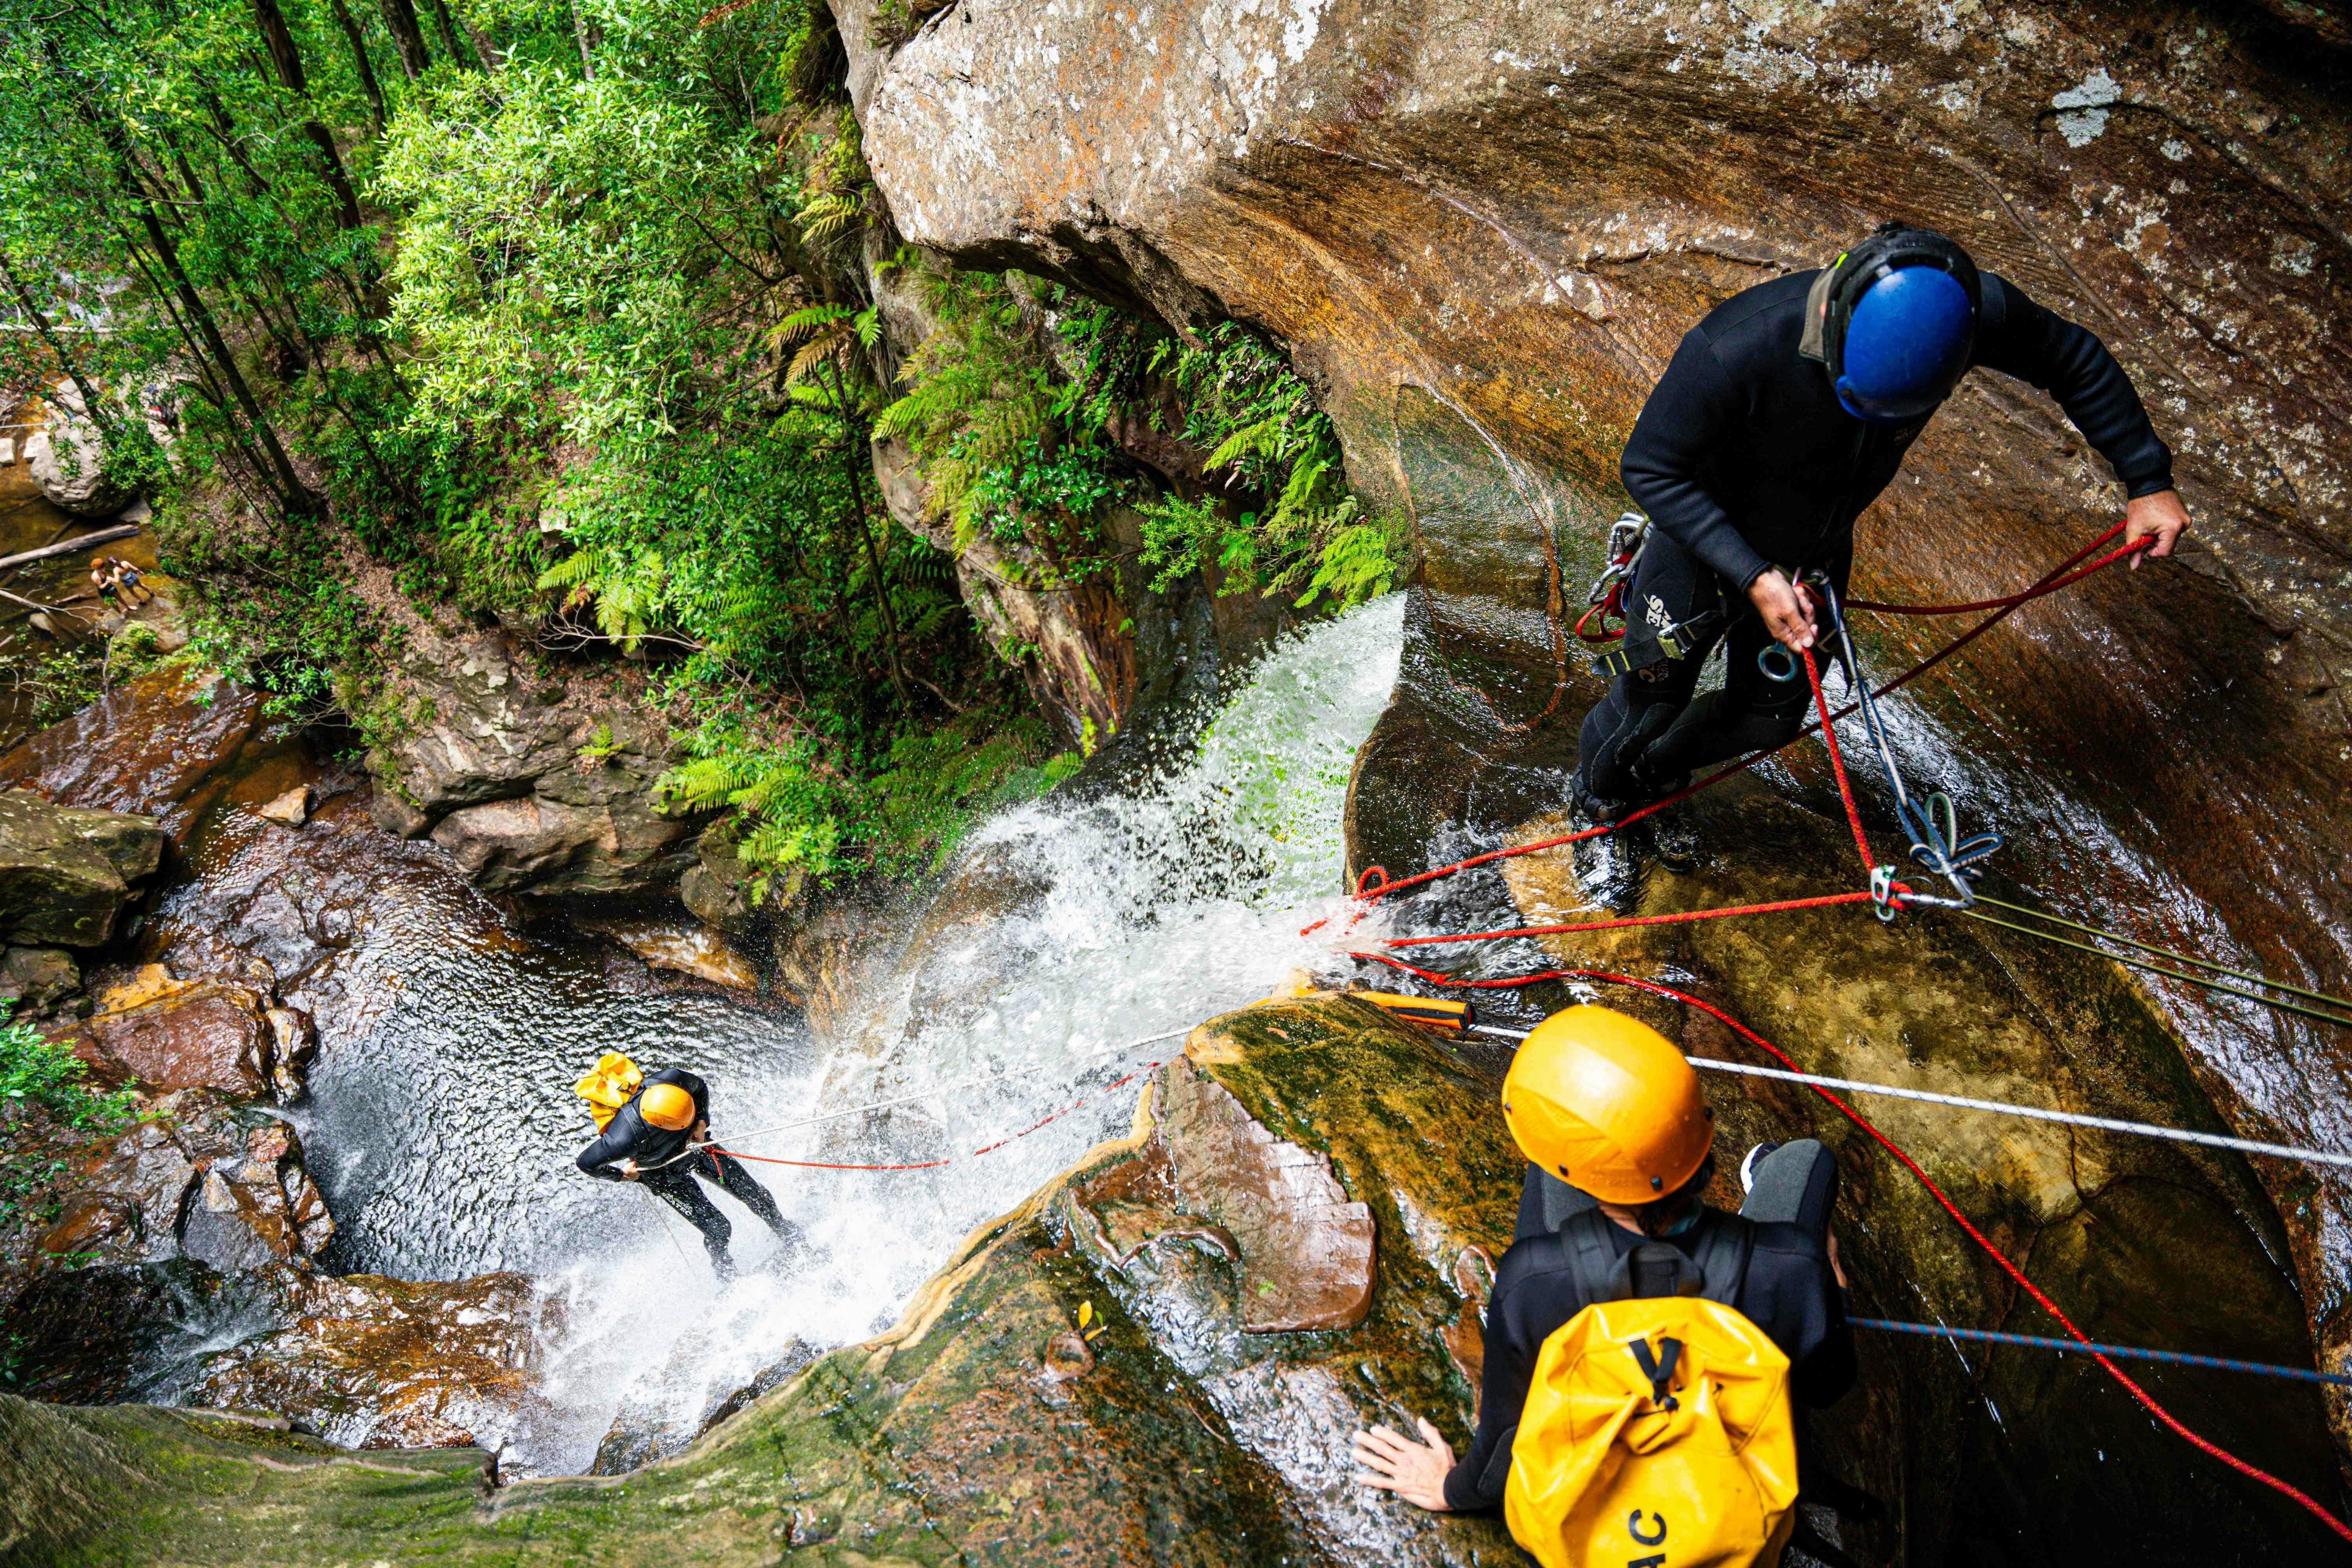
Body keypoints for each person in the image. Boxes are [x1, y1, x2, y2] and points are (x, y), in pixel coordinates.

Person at [1574, 223, 2191, 825]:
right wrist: (1754, 576)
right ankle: (1596, 809)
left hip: (1812, 553)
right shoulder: (1742, 343)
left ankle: (1654, 780)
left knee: (1767, 718)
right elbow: (1651, 467)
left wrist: (2148, 479)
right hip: (1703, 546)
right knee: (1646, 707)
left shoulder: (1966, 314)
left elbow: (2072, 356)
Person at [1351, 1005, 1854, 1517]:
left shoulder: (1535, 1279)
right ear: (1699, 1133)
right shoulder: (1791, 1264)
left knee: (1548, 1175)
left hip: (1604, 1511)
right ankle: (1752, 1184)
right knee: (1807, 1161)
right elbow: (1826, 1385)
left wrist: (1452, 1490)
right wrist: (1825, 1284)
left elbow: (1509, 1435)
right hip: (1727, 1501)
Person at [575, 1067, 800, 1282]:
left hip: (696, 1146)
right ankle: (726, 1274)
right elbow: (586, 1164)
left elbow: (700, 1087)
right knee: (719, 1229)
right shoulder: (622, 1139)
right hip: (663, 1175)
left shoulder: (671, 1078)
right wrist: (623, 1175)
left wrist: (700, 1123)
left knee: (755, 1195)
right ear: (661, 1125)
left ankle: (786, 1231)